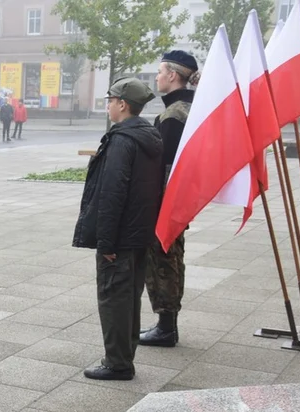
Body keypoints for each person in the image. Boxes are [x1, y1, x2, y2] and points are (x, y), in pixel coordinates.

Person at [73, 78, 162, 381]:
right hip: (139, 235)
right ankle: (125, 354)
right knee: (129, 298)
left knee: (113, 298)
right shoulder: (148, 136)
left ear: (122, 104)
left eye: (110, 99)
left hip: (120, 238)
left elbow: (112, 195)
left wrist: (106, 243)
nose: (108, 104)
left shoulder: (122, 141)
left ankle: (117, 362)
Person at [139, 49, 197, 349]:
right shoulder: (190, 108)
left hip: (166, 201)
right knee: (173, 258)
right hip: (179, 199)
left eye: (160, 72)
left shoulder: (174, 116)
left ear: (173, 75)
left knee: (163, 260)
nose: (157, 77)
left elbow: (164, 167)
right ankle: (166, 325)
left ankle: (166, 327)